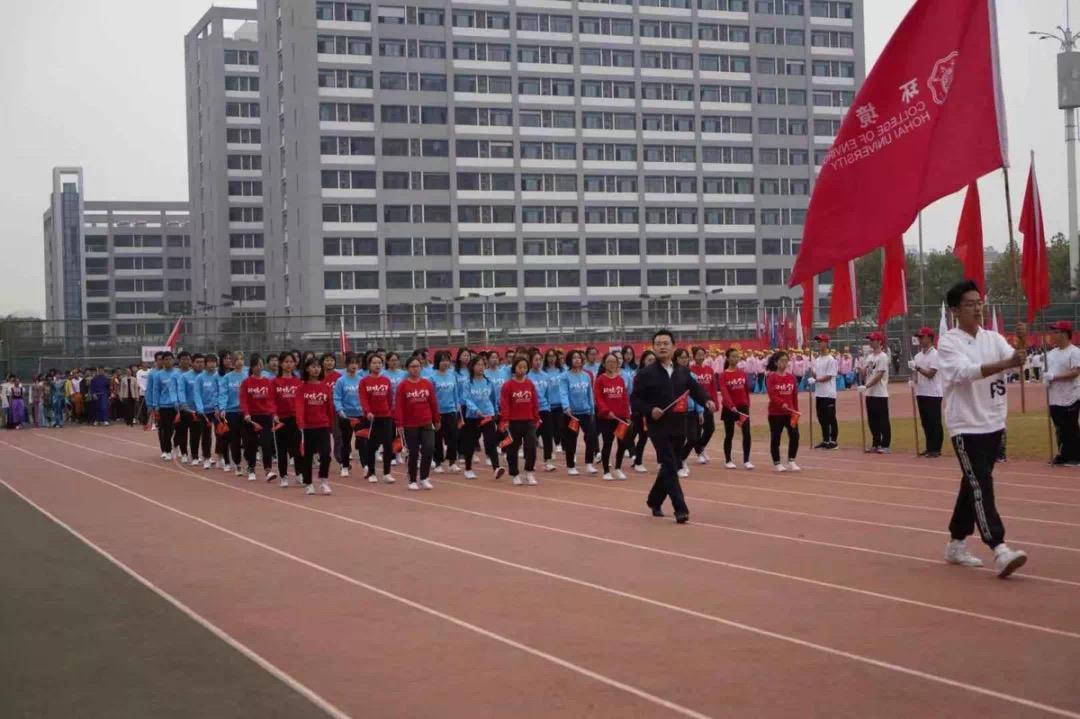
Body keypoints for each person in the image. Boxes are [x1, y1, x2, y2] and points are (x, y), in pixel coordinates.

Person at [937, 279, 1028, 577]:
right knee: (982, 485)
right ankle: (999, 548)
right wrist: (1005, 363)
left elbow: (1015, 362)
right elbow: (964, 373)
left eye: (979, 303)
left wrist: (1021, 348)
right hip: (966, 425)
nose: (977, 309)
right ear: (955, 310)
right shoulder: (949, 342)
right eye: (969, 304)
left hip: (994, 421)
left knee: (973, 484)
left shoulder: (993, 337)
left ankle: (956, 543)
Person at [630, 330, 715, 524]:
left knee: (673, 464)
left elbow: (695, 389)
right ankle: (680, 508)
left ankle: (654, 500)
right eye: (658, 343)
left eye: (665, 343)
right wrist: (650, 409)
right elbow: (635, 400)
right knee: (669, 464)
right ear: (653, 347)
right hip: (658, 426)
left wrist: (707, 400)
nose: (662, 347)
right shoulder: (645, 374)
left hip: (679, 424)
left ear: (673, 347)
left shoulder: (682, 371)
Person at [393, 355, 441, 491]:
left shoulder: (427, 384)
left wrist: (437, 419)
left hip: (426, 422)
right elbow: (399, 406)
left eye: (417, 366)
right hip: (410, 425)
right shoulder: (402, 386)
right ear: (407, 368)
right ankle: (412, 479)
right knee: (413, 452)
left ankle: (424, 477)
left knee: (429, 449)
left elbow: (433, 403)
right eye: (412, 366)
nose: (415, 369)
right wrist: (399, 424)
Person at [294, 356, 335, 495]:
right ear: (307, 369)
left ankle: (324, 482)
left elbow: (329, 407)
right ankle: (309, 484)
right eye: (313, 366)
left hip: (323, 426)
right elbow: (299, 406)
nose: (316, 369)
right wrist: (300, 423)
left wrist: (330, 424)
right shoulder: (302, 388)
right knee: (308, 456)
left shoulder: (325, 387)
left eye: (318, 367)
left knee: (326, 454)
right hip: (307, 427)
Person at [459, 355, 504, 480]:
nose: (481, 367)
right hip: (472, 417)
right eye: (478, 365)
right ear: (472, 367)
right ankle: (468, 469)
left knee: (491, 441)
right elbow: (466, 399)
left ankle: (496, 468)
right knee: (470, 442)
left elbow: (493, 398)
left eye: (483, 365)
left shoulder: (489, 382)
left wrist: (495, 411)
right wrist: (476, 410)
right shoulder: (467, 383)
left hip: (488, 415)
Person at [500, 356, 540, 486]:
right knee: (513, 448)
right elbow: (504, 404)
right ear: (514, 368)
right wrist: (505, 419)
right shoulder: (508, 385)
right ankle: (515, 474)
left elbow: (534, 402)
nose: (522, 370)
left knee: (531, 446)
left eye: (525, 367)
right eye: (520, 367)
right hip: (513, 421)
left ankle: (529, 472)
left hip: (529, 420)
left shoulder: (530, 384)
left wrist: (536, 417)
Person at [1044, 320, 1080, 466]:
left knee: (1070, 427)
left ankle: (1075, 456)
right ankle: (1064, 454)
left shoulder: (1074, 352)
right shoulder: (1050, 354)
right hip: (1054, 397)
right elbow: (1047, 372)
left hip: (1070, 396)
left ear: (1065, 334)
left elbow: (1075, 372)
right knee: (1059, 428)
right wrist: (1046, 379)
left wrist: (1054, 377)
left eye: (1056, 332)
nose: (1053, 335)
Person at [558, 349, 598, 476]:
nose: (577, 360)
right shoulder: (564, 376)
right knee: (571, 440)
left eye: (579, 358)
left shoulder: (586, 376)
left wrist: (592, 409)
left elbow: (589, 394)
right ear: (569, 360)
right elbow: (563, 393)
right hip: (571, 414)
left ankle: (589, 463)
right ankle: (571, 466)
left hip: (586, 412)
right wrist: (566, 407)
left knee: (591, 437)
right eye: (574, 357)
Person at [594, 352, 631, 481]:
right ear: (604, 364)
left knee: (622, 444)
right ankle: (606, 471)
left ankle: (618, 468)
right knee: (607, 443)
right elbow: (598, 398)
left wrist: (627, 415)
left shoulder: (620, 379)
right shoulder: (600, 380)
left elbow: (625, 398)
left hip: (620, 418)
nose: (611, 364)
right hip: (607, 418)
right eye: (608, 362)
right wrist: (606, 411)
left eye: (614, 362)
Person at [239, 354, 276, 482]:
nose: (259, 367)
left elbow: (271, 400)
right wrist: (246, 413)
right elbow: (243, 400)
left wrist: (273, 413)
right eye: (256, 365)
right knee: (251, 444)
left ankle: (268, 470)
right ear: (252, 366)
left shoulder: (267, 382)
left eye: (261, 365)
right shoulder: (246, 382)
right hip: (251, 418)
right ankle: (251, 469)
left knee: (266, 443)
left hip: (266, 417)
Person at [359, 354, 395, 483]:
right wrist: (367, 412)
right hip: (371, 418)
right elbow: (363, 398)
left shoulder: (386, 381)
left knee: (388, 445)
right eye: (374, 363)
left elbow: (389, 398)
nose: (377, 365)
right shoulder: (364, 381)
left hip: (386, 417)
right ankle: (371, 472)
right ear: (369, 365)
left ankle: (387, 473)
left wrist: (389, 412)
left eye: (379, 363)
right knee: (371, 446)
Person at [909, 327, 944, 458]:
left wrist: (917, 367)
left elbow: (930, 374)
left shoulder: (935, 354)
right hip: (921, 392)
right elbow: (915, 375)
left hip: (933, 393)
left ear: (929, 338)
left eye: (922, 337)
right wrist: (912, 380)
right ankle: (929, 447)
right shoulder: (918, 356)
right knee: (925, 422)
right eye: (919, 337)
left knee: (934, 421)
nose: (919, 339)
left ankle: (936, 448)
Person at [766, 351, 801, 472]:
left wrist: (795, 411)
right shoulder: (771, 377)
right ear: (776, 362)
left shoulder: (791, 377)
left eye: (786, 361)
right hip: (776, 413)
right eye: (782, 361)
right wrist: (781, 403)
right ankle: (777, 463)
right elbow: (772, 394)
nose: (784, 363)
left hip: (790, 413)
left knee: (795, 436)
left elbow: (794, 396)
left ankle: (792, 460)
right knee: (776, 438)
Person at [719, 348, 753, 469]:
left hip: (742, 407)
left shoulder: (742, 373)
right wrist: (731, 405)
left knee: (747, 433)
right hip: (729, 408)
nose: (735, 359)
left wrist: (747, 403)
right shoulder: (723, 375)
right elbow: (724, 392)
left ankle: (746, 460)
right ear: (728, 358)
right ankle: (728, 460)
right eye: (733, 356)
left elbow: (746, 390)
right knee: (729, 434)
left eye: (737, 356)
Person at [858, 332, 891, 453]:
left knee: (882, 420)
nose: (870, 342)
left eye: (872, 340)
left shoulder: (883, 357)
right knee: (872, 420)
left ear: (880, 341)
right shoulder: (869, 357)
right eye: (870, 340)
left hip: (880, 393)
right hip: (870, 393)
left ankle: (885, 444)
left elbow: (879, 375)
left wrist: (865, 386)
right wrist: (860, 369)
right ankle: (876, 443)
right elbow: (865, 374)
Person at [332, 352, 364, 478]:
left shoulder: (361, 380)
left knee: (362, 441)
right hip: (346, 416)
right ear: (346, 365)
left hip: (360, 415)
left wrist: (365, 409)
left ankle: (366, 465)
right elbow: (337, 397)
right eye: (351, 363)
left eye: (356, 363)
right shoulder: (341, 381)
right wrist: (340, 410)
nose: (354, 366)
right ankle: (345, 466)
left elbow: (365, 397)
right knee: (346, 442)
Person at [429, 351, 462, 473]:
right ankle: (438, 463)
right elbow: (431, 397)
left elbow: (455, 393)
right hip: (438, 412)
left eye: (447, 360)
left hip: (451, 410)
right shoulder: (432, 378)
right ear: (437, 362)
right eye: (442, 360)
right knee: (438, 438)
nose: (445, 363)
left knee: (453, 437)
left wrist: (457, 405)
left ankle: (452, 462)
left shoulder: (452, 376)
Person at [273, 352, 302, 486]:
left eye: (291, 362)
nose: (289, 364)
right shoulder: (275, 382)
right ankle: (283, 476)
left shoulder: (298, 382)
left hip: (296, 419)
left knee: (297, 448)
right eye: (286, 362)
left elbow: (301, 401)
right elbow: (271, 401)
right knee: (282, 449)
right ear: (280, 363)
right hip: (280, 420)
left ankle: (299, 474)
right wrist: (274, 414)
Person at [217, 351, 247, 475]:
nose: (240, 361)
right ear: (233, 362)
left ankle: (248, 462)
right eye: (237, 359)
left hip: (245, 413)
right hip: (231, 412)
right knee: (234, 440)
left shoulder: (247, 376)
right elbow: (223, 394)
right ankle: (238, 464)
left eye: (242, 359)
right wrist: (222, 408)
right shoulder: (227, 377)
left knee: (247, 439)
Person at [688, 346, 720, 464]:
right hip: (695, 404)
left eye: (703, 354)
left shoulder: (709, 370)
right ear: (694, 356)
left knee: (710, 428)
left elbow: (713, 388)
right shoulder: (690, 370)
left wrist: (715, 402)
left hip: (708, 403)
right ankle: (699, 452)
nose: (701, 357)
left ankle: (700, 447)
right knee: (697, 430)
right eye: (698, 354)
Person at [525, 350, 554, 476]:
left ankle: (548, 461)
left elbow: (547, 393)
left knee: (547, 435)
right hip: (531, 411)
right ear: (531, 361)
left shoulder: (545, 376)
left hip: (544, 409)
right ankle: (530, 461)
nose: (538, 362)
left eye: (539, 360)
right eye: (535, 360)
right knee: (531, 437)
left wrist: (548, 406)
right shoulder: (527, 376)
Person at [808, 334, 839, 450]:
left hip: (828, 393)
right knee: (821, 417)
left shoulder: (831, 360)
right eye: (818, 342)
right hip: (819, 393)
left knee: (830, 417)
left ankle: (833, 441)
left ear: (826, 343)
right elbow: (817, 374)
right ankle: (825, 440)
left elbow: (829, 376)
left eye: (821, 341)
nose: (819, 344)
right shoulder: (817, 360)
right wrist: (811, 369)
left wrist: (816, 380)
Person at [630, 350, 656, 473]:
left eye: (654, 360)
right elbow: (635, 395)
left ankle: (660, 461)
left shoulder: (659, 375)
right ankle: (637, 461)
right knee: (641, 436)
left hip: (655, 411)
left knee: (656, 437)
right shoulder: (639, 376)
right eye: (649, 360)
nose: (652, 362)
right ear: (643, 362)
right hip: (640, 412)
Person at [193, 354, 220, 469]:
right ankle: (207, 458)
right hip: (204, 411)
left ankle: (220, 457)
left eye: (214, 362)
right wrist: (200, 408)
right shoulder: (200, 378)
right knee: (206, 435)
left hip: (217, 410)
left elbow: (221, 392)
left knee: (220, 434)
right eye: (209, 362)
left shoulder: (219, 376)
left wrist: (219, 406)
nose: (212, 364)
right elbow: (197, 394)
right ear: (205, 364)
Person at [541, 349, 564, 469]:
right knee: (548, 430)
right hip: (548, 405)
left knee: (560, 426)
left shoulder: (562, 371)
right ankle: (549, 452)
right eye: (549, 356)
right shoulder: (543, 372)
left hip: (560, 404)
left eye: (553, 356)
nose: (551, 358)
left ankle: (559, 444)